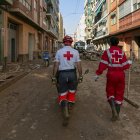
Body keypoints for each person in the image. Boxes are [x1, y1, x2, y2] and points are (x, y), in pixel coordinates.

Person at [94, 36, 132, 121]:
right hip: (121, 76)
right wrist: (129, 63)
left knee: (110, 92)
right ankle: (116, 115)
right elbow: (125, 66)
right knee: (119, 94)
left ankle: (114, 111)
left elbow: (103, 65)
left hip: (111, 75)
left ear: (110, 43)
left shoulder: (107, 52)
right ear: (118, 43)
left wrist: (98, 74)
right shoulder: (122, 52)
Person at [52, 35, 83, 118]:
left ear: (64, 42)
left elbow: (56, 65)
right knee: (72, 90)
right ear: (71, 42)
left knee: (62, 91)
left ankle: (64, 105)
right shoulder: (75, 52)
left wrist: (54, 76)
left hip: (62, 74)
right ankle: (70, 104)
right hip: (72, 74)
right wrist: (80, 75)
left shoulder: (59, 52)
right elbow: (79, 65)